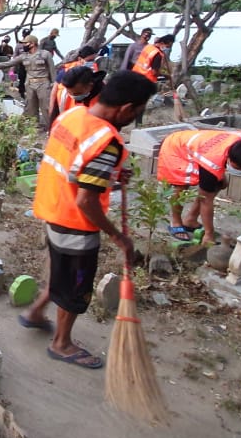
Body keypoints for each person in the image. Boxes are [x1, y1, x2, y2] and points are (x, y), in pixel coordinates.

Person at [21, 71, 157, 369]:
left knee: (59, 269)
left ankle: (35, 313)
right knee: (77, 285)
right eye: (138, 111)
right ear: (126, 108)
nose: (135, 117)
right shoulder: (105, 141)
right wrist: (117, 236)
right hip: (76, 224)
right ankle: (62, 343)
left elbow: (74, 168)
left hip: (51, 209)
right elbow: (86, 198)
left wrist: (110, 177)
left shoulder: (71, 116)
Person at [156, 129, 241, 244]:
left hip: (199, 146)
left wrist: (220, 174)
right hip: (176, 147)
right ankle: (176, 222)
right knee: (181, 186)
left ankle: (191, 219)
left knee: (219, 184)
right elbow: (205, 200)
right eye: (237, 168)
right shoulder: (211, 162)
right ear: (229, 157)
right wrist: (209, 234)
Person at [0, 35, 54, 131]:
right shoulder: (24, 56)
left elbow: (52, 70)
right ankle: (34, 128)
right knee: (30, 107)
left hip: (43, 83)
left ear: (32, 43)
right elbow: (8, 63)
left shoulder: (45, 54)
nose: (24, 45)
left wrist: (54, 84)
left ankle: (52, 128)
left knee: (46, 107)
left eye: (26, 43)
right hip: (30, 84)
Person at [130, 34, 174, 126]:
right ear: (162, 43)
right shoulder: (157, 54)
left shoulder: (149, 47)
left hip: (135, 76)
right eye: (168, 46)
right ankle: (138, 124)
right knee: (141, 104)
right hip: (145, 81)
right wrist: (166, 76)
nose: (167, 48)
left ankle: (136, 122)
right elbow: (154, 72)